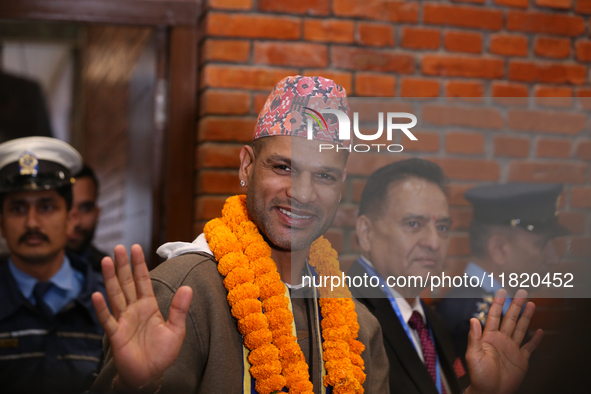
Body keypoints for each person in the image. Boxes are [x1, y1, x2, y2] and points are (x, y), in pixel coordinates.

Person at [90, 76, 390, 394]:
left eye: (324, 176)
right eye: (283, 168)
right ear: (247, 166)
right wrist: (133, 386)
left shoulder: (357, 325)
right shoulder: (182, 293)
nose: (302, 193)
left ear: (341, 186)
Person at [349, 158, 544, 394]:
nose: (433, 242)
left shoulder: (430, 321)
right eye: (413, 223)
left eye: (442, 227)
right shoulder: (341, 316)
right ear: (366, 232)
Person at [0, 137, 107, 394]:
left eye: (47, 207)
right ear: (1, 223)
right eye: (18, 208)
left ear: (71, 219)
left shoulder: (108, 302)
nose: (32, 223)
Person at [436, 183, 568, 367]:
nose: (553, 258)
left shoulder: (483, 308)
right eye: (541, 244)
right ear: (499, 249)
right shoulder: (470, 320)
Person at [67, 164, 108, 272]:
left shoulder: (108, 271)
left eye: (85, 208)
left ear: (97, 213)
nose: (75, 222)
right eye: (67, 207)